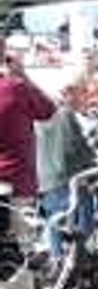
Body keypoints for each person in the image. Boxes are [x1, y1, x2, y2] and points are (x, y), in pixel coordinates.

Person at [36, 80, 97, 257]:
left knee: (55, 229)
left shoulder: (38, 119)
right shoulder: (65, 115)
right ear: (68, 95)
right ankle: (83, 265)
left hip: (47, 182)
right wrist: (92, 166)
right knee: (82, 232)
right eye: (82, 93)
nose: (86, 97)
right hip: (69, 180)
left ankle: (58, 264)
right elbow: (75, 146)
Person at [0, 39, 57, 226]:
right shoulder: (15, 88)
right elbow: (48, 109)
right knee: (22, 246)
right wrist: (22, 75)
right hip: (17, 182)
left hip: (15, 181)